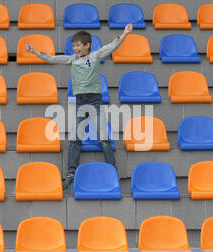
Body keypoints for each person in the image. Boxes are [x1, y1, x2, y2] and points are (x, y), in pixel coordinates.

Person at [26, 23, 133, 189]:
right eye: (73, 46)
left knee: (103, 138)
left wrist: (124, 34)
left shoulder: (95, 56)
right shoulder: (72, 59)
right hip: (80, 103)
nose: (75, 48)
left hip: (95, 102)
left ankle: (112, 169)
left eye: (77, 45)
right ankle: (71, 172)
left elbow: (111, 46)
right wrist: (35, 52)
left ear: (87, 45)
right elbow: (53, 59)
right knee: (75, 139)